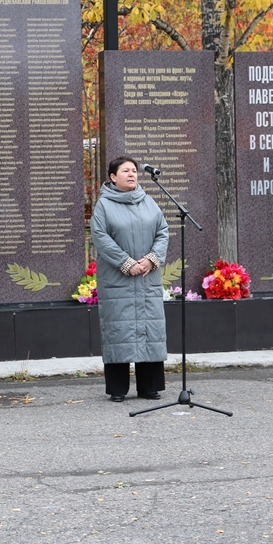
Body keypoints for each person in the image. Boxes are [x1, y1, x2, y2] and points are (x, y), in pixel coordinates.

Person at [90, 156, 170, 402]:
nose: (132, 174)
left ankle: (149, 386)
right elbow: (101, 238)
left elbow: (163, 231)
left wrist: (151, 259)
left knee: (149, 329)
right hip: (118, 280)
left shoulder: (148, 202)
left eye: (134, 171)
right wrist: (126, 263)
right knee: (119, 331)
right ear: (113, 177)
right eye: (125, 171)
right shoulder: (104, 205)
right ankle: (118, 389)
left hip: (147, 277)